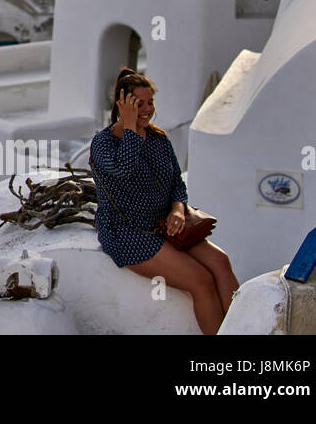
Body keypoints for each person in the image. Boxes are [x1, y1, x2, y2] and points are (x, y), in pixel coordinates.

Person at [89, 67, 239, 334]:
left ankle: (247, 329)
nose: (147, 110)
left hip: (167, 224)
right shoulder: (103, 143)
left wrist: (178, 211)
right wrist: (131, 126)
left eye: (150, 103)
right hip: (130, 233)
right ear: (122, 104)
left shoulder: (159, 140)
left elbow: (176, 185)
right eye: (139, 104)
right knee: (201, 280)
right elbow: (124, 169)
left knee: (221, 262)